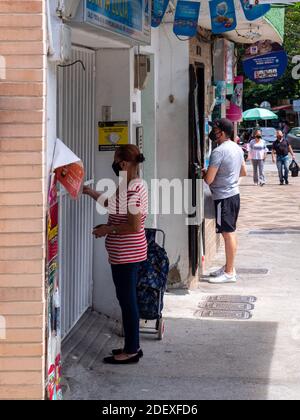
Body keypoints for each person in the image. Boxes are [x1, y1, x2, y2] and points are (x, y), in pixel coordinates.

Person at [83, 145, 148, 365]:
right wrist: (91, 192)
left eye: (115, 160)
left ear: (122, 163)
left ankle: (131, 350)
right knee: (126, 299)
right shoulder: (132, 184)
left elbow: (134, 225)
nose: (114, 164)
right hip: (126, 253)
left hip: (127, 255)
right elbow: (114, 206)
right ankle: (132, 345)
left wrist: (107, 230)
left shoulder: (132, 189)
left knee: (127, 301)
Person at [203, 118, 247, 284]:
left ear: (221, 132)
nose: (213, 132)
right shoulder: (237, 148)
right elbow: (243, 172)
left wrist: (204, 173)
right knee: (230, 232)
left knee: (227, 234)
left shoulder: (219, 151)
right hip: (234, 194)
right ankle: (229, 267)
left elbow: (208, 179)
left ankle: (229, 272)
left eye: (215, 130)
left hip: (223, 198)